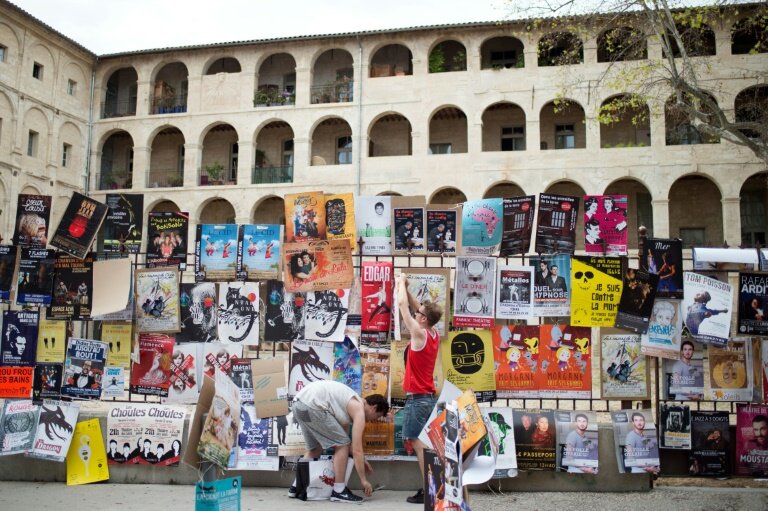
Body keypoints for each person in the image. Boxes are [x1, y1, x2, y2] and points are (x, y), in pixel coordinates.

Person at [288, 380, 389, 503]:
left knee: (315, 448)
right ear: (374, 408)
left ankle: (297, 487)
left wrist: (361, 459)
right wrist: (363, 480)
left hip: (299, 404)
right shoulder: (358, 410)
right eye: (378, 417)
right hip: (312, 405)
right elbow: (352, 448)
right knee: (342, 445)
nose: (374, 420)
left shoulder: (345, 406)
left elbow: (345, 442)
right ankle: (339, 491)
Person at [396, 272, 443, 505]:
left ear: (423, 320)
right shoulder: (434, 333)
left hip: (417, 400)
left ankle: (431, 489)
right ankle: (432, 486)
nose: (417, 313)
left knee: (417, 443)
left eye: (420, 314)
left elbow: (403, 305)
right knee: (423, 443)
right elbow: (417, 307)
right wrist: (407, 287)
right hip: (427, 398)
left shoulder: (418, 333)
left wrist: (399, 280)